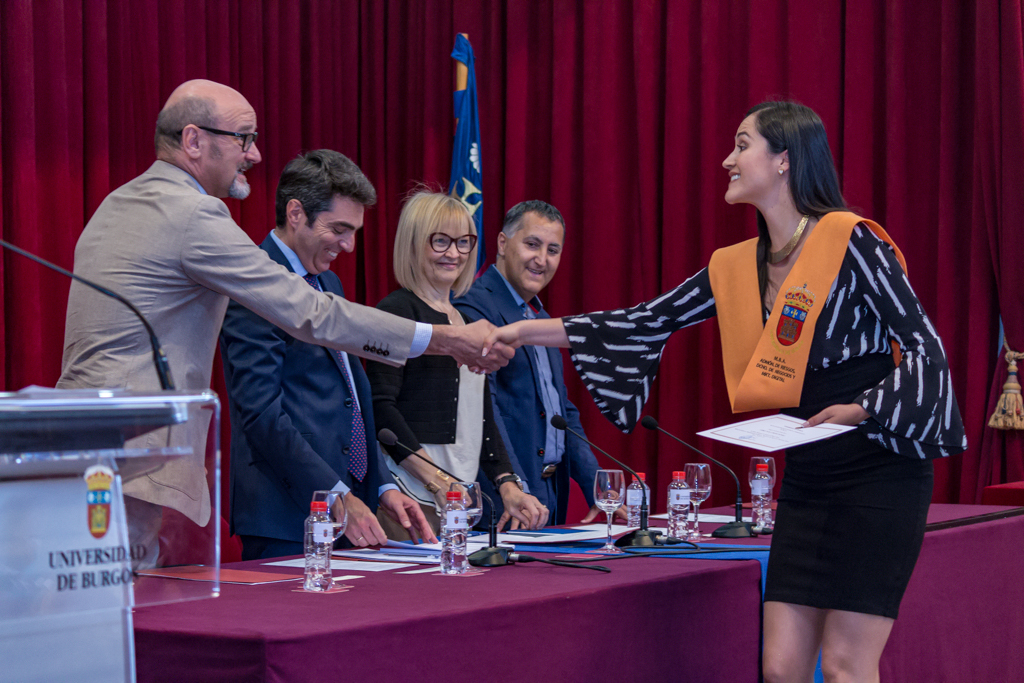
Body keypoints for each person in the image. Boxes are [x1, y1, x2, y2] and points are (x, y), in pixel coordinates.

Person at [486, 101, 967, 683]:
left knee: (845, 667)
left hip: (878, 470)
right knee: (781, 668)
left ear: (784, 160)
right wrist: (518, 331)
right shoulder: (737, 266)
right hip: (810, 476)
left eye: (742, 145)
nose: (726, 160)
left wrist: (861, 407)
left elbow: (924, 346)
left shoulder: (853, 242)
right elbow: (643, 321)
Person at [56, 79, 510, 564]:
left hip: (80, 445)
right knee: (121, 599)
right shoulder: (193, 213)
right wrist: (444, 338)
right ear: (193, 141)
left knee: (92, 597)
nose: (253, 155)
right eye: (243, 138)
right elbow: (309, 313)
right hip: (138, 453)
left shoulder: (119, 202)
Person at [219, 150, 438, 560]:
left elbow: (351, 397)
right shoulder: (253, 283)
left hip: (350, 511)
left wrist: (382, 486)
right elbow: (262, 415)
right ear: (296, 213)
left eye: (354, 231)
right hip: (286, 519)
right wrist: (335, 495)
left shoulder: (329, 281)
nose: (349, 245)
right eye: (339, 229)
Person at [367, 191, 548, 537]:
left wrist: (507, 483)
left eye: (463, 242)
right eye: (441, 241)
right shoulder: (396, 311)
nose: (454, 253)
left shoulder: (466, 322)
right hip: (409, 501)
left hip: (458, 501)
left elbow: (481, 417)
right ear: (413, 243)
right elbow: (380, 409)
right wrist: (435, 479)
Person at [456, 200, 623, 526]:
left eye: (553, 250)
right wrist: (514, 485)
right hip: (504, 502)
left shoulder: (540, 317)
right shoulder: (474, 309)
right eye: (532, 244)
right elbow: (484, 410)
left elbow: (561, 411)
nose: (542, 259)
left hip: (548, 495)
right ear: (502, 244)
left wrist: (598, 488)